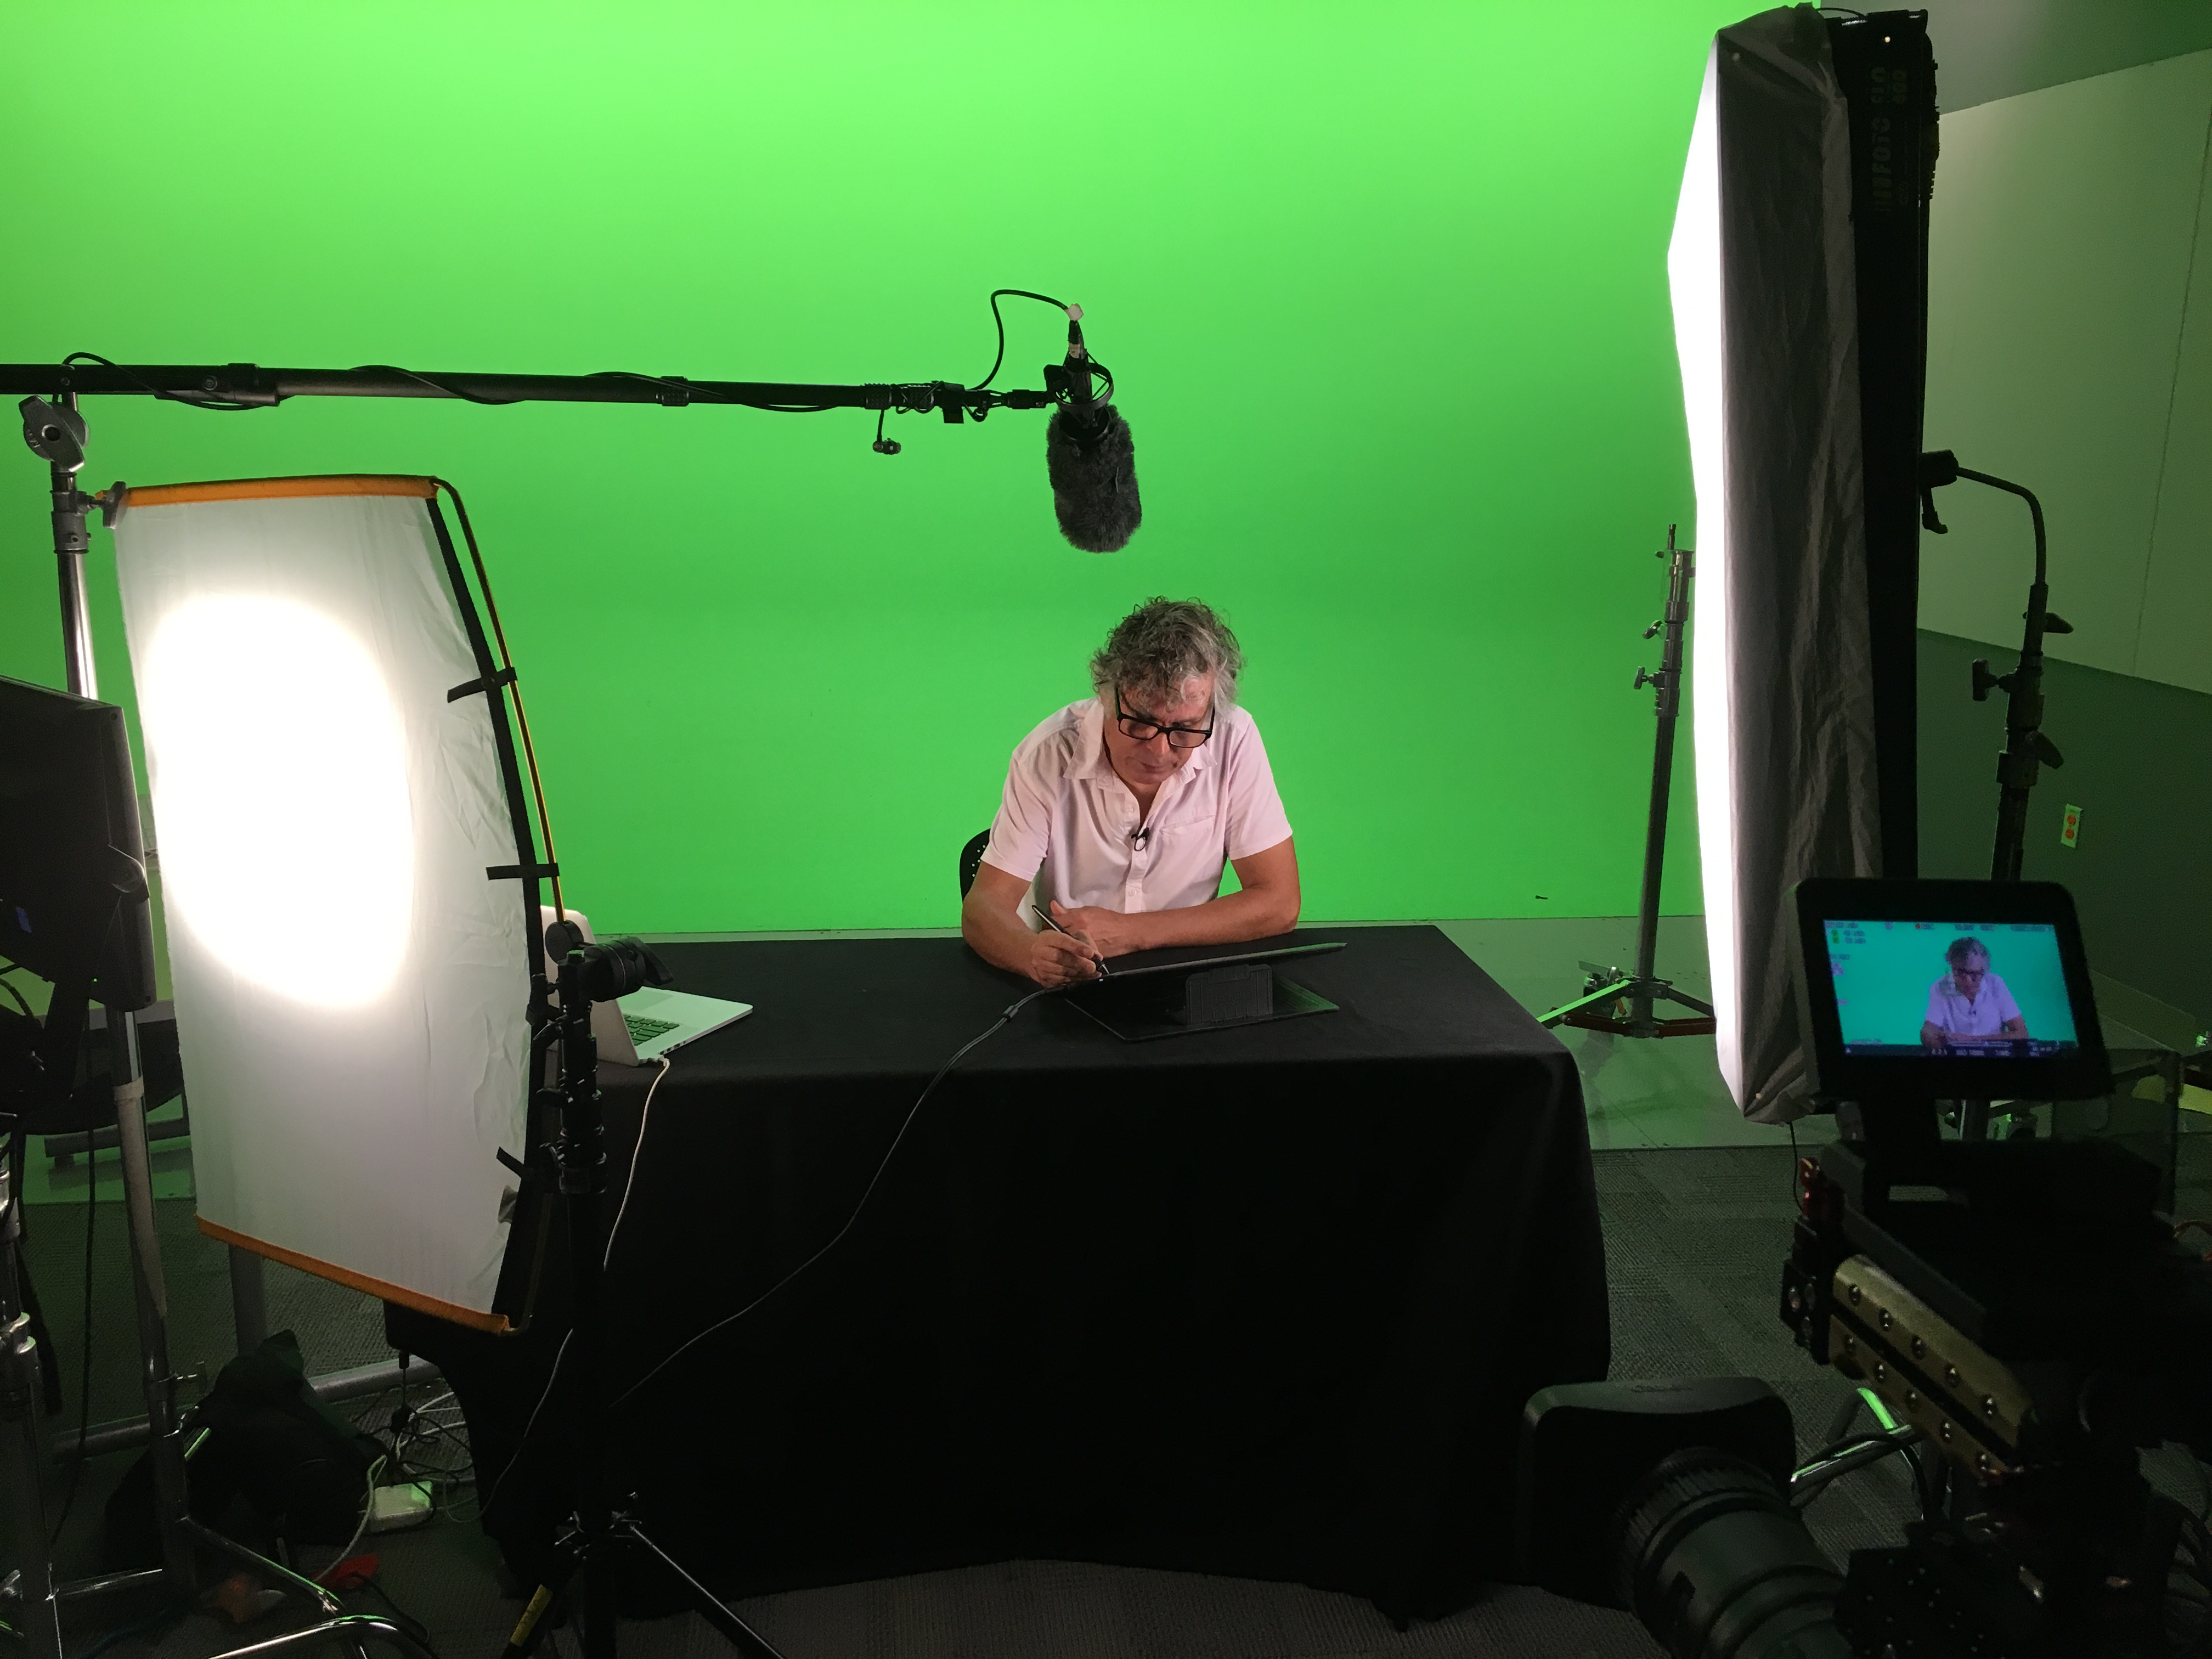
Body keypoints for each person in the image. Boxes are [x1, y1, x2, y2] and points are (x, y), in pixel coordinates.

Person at [962, 597, 1299, 986]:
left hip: (1185, 981)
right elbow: (984, 906)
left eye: (1185, 729)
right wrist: (1030, 955)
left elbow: (1279, 903)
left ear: (1211, 710)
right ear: (1106, 696)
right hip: (1074, 985)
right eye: (1140, 723)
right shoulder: (1048, 754)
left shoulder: (1233, 738)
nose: (1159, 751)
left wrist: (1133, 932)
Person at [1920, 936, 2028, 1049]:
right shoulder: (1940, 987)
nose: (1968, 981)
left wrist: (1972, 1040)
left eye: (1974, 974)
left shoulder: (1996, 984)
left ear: (1984, 970)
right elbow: (1929, 1029)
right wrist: (1929, 1037)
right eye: (1960, 972)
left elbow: (2022, 1033)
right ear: (1952, 967)